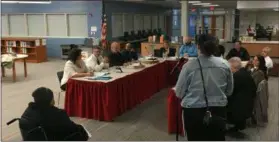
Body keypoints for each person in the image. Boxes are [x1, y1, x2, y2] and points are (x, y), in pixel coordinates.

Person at [175, 34, 233, 141]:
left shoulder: (189, 66)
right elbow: (229, 91)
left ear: (197, 47)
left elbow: (179, 93)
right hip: (218, 110)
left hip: (193, 111)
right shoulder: (225, 65)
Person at [20, 87, 89, 141]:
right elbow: (71, 128)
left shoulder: (28, 111)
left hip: (37, 137)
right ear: (50, 100)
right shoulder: (58, 114)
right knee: (80, 132)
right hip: (53, 137)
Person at [227, 57, 257, 132]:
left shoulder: (236, 76)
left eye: (229, 67)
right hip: (249, 104)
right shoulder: (245, 73)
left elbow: (229, 92)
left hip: (241, 108)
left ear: (233, 67)